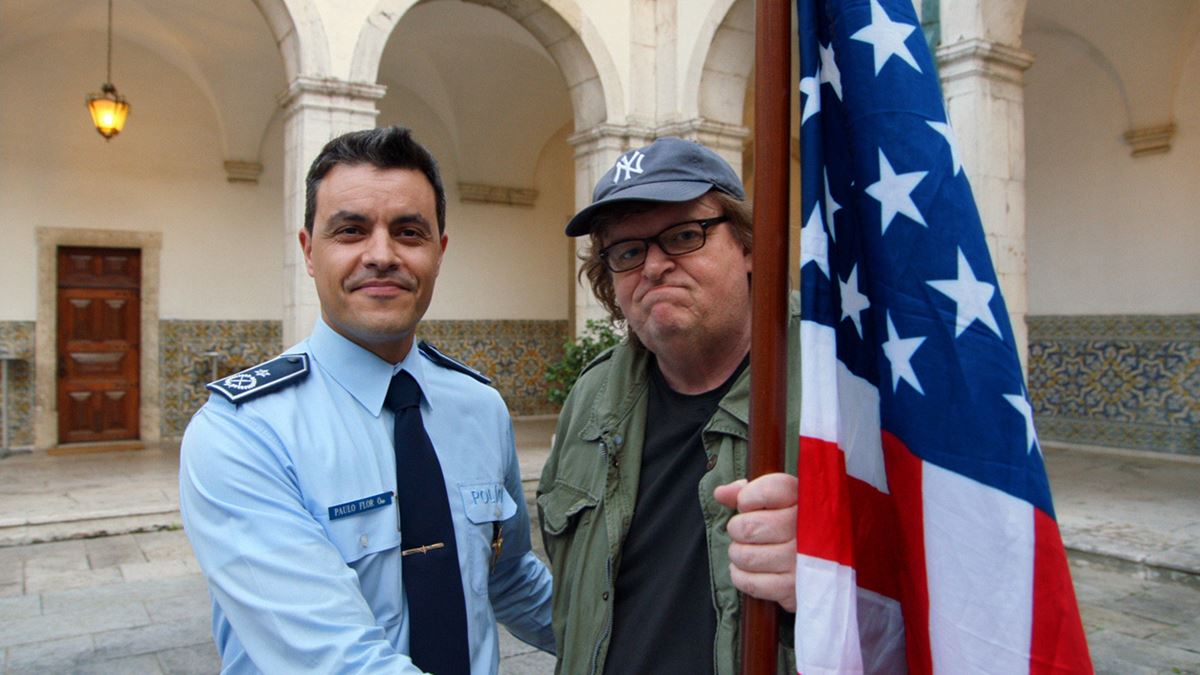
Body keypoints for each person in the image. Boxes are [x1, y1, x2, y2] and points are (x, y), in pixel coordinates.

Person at [180, 126, 554, 673]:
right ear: (309, 251)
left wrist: (640, 645)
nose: (381, 255)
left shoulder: (479, 407)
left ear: (439, 252)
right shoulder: (243, 433)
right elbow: (337, 660)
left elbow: (510, 578)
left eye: (409, 232)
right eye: (351, 230)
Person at [537, 137, 800, 674]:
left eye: (683, 236)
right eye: (628, 251)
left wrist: (844, 574)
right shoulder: (592, 399)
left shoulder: (837, 383)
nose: (654, 266)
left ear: (749, 246)